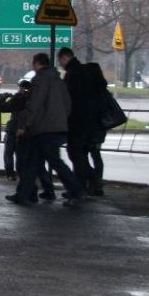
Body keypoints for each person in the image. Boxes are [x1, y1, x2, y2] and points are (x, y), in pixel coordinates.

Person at [7, 52, 84, 207]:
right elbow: (67, 105)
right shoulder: (59, 81)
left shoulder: (40, 80)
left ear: (36, 64)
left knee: (52, 162)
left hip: (43, 129)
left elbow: (34, 105)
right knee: (34, 162)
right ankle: (22, 194)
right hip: (57, 127)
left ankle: (76, 190)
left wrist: (23, 126)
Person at [0, 79, 56, 201]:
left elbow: (3, 108)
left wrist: (4, 98)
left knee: (22, 164)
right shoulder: (39, 101)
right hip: (36, 135)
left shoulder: (20, 99)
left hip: (21, 133)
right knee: (38, 165)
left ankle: (28, 192)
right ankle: (46, 191)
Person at [57, 47, 95, 191]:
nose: (60, 64)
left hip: (77, 120)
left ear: (65, 58)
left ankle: (83, 184)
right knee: (79, 153)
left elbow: (69, 98)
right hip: (87, 119)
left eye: (60, 60)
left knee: (75, 153)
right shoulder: (83, 71)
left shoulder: (73, 73)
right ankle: (89, 181)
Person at [84, 62, 109, 196]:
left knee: (82, 155)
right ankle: (96, 183)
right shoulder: (102, 87)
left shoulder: (90, 89)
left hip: (89, 127)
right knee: (96, 154)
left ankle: (93, 182)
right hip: (99, 128)